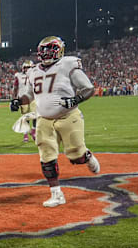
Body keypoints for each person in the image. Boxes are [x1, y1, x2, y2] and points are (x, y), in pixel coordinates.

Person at [14, 36, 99, 207]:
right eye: (43, 49)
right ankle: (56, 194)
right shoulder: (33, 71)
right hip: (44, 119)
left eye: (50, 48)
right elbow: (29, 95)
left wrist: (75, 100)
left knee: (76, 157)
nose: (46, 53)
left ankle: (87, 157)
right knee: (46, 158)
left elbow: (89, 88)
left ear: (59, 49)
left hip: (68, 116)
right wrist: (19, 101)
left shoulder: (67, 64)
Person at [11, 60, 37, 142]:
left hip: (33, 97)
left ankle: (33, 130)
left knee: (35, 115)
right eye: (25, 67)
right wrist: (14, 99)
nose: (26, 69)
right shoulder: (18, 76)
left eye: (28, 67)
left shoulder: (35, 75)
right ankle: (25, 134)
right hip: (22, 98)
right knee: (25, 117)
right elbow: (15, 88)